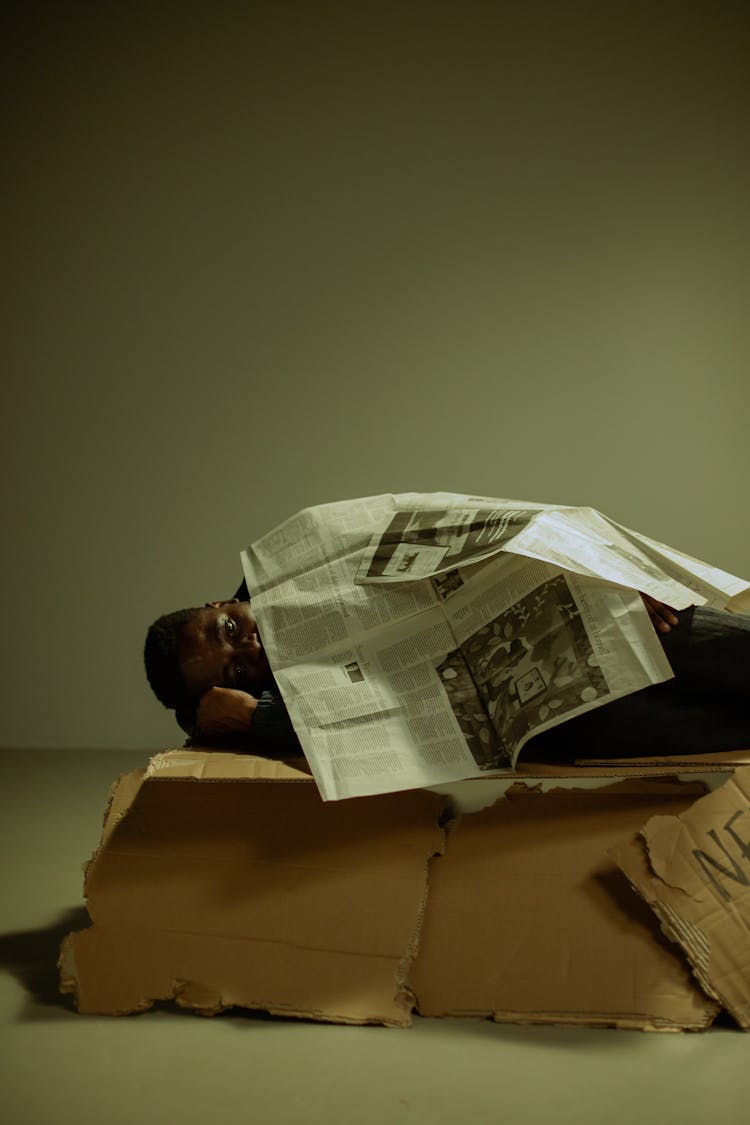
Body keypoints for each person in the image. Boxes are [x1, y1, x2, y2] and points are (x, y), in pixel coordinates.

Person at [144, 580, 750, 761]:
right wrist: (257, 716)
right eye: (235, 671)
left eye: (229, 630)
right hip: (569, 717)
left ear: (219, 600)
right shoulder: (283, 702)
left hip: (598, 620)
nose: (248, 648)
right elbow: (384, 728)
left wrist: (595, 581)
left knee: (714, 646)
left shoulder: (299, 570)